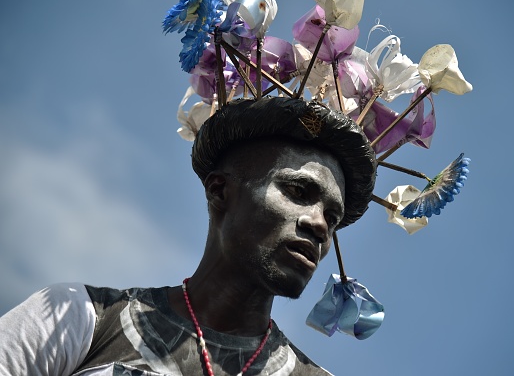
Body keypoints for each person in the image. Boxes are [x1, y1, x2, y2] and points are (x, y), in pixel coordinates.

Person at [0, 97, 377, 375]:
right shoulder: (81, 318)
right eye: (297, 192)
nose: (319, 225)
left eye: (332, 216)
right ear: (219, 191)